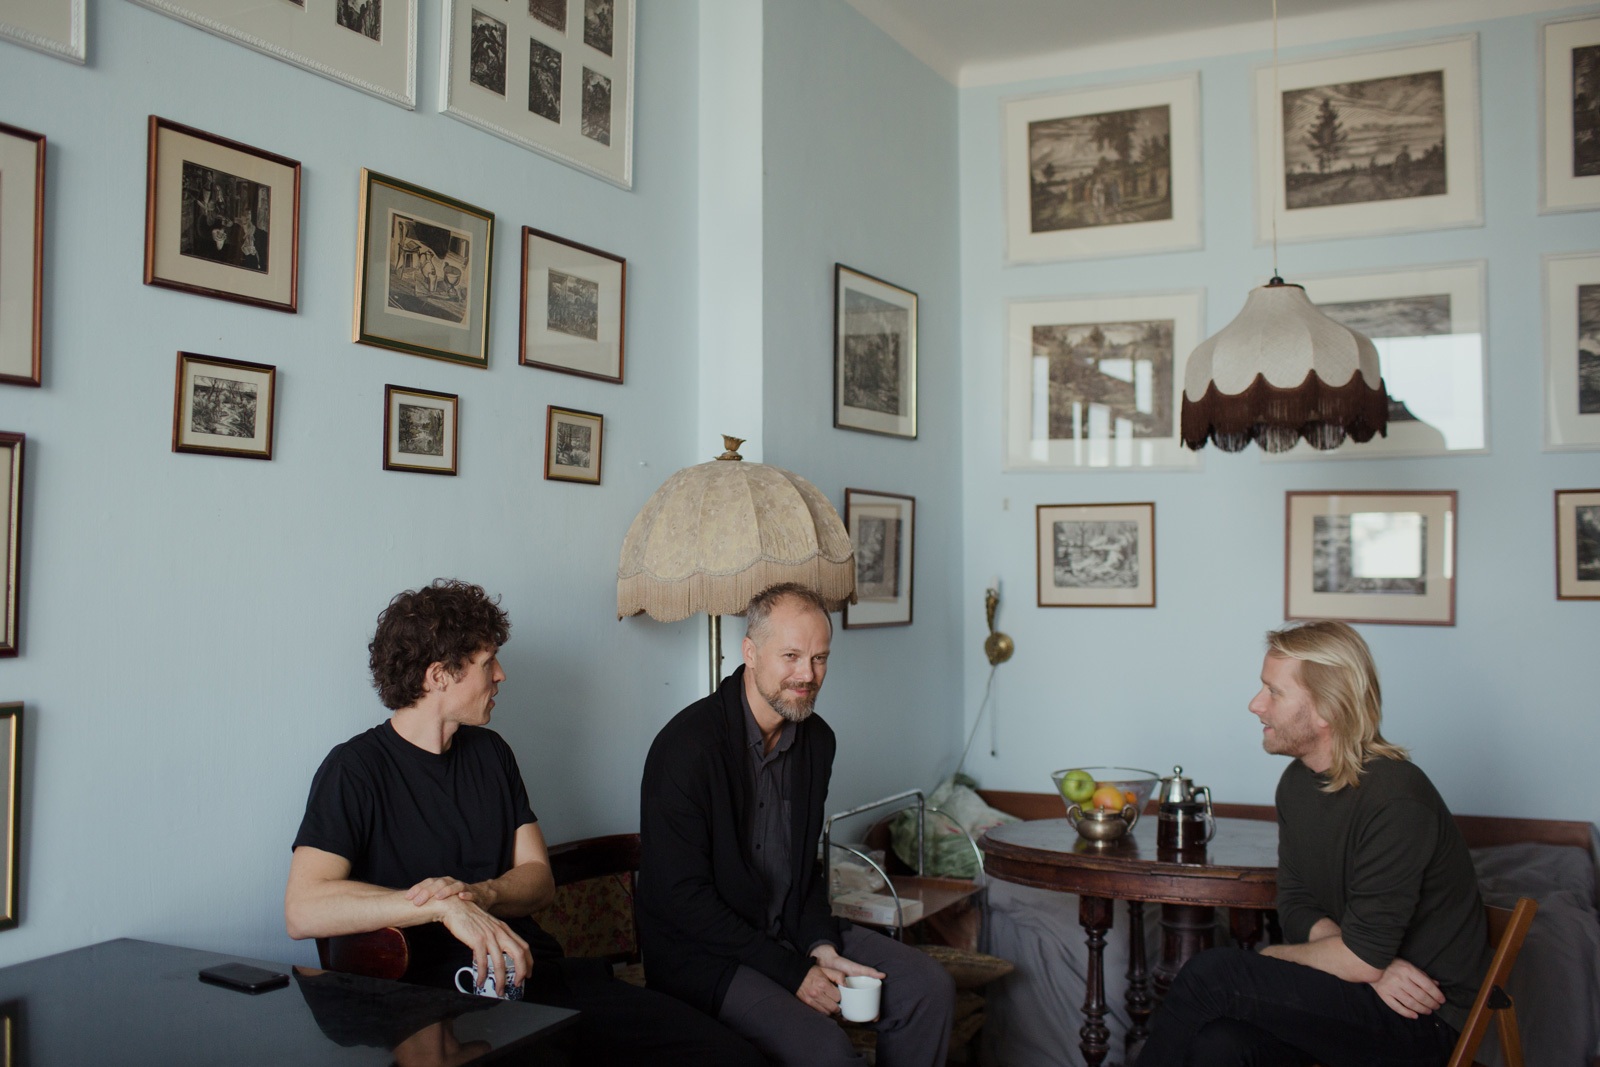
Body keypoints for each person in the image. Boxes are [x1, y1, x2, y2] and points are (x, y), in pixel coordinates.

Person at [284, 579, 762, 1067]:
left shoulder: (491, 754)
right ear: (439, 675)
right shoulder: (354, 770)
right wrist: (440, 908)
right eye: (487, 662)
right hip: (435, 1010)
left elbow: (538, 880)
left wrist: (479, 895)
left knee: (731, 1057)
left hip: (540, 984)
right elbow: (303, 909)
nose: (501, 675)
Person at [1134, 620, 1490, 1067]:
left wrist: (1279, 956)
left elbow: (1360, 959)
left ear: (1326, 709)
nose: (1255, 704)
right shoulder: (1297, 784)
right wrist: (1362, 961)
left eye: (1274, 692)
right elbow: (1296, 905)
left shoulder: (1396, 798)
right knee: (1220, 1044)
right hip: (1363, 992)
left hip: (1427, 1020)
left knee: (1213, 974)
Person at [638, 582, 956, 1067]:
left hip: (788, 932)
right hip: (705, 956)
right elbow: (683, 900)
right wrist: (794, 971)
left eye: (819, 658)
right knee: (824, 1049)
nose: (807, 675)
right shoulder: (687, 747)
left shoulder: (817, 742)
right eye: (790, 656)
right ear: (750, 653)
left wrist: (820, 944)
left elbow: (804, 870)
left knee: (928, 989)